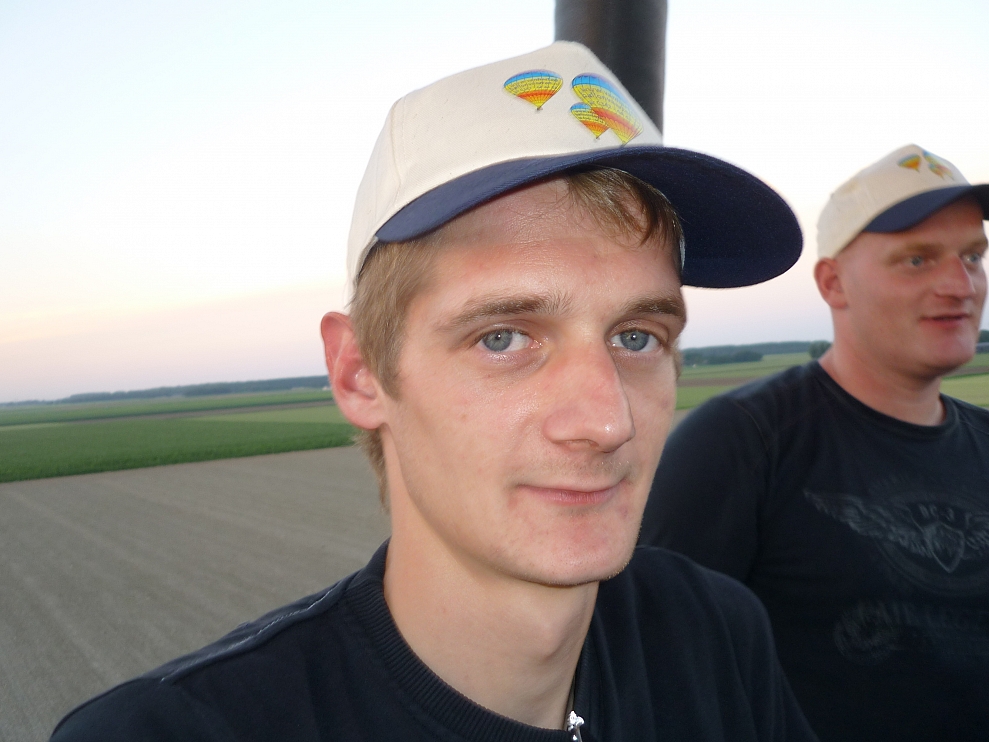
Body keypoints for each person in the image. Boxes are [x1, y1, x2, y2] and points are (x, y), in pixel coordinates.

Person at [50, 42, 815, 741]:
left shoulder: (712, 631)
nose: (605, 420)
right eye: (503, 338)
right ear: (359, 373)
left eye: (637, 337)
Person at [641, 144, 989, 742]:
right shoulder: (743, 441)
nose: (959, 284)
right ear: (833, 284)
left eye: (973, 256)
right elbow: (660, 665)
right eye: (917, 259)